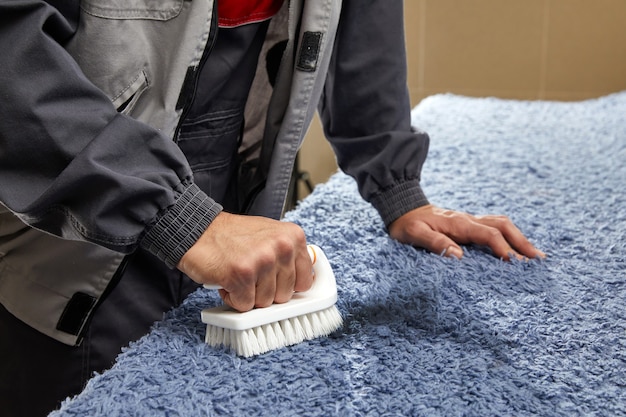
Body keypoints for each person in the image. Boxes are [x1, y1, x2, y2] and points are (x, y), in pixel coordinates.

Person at [0, 1, 545, 415]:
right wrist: (182, 219)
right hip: (68, 224)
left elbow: (362, 15)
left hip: (239, 191)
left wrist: (396, 184)